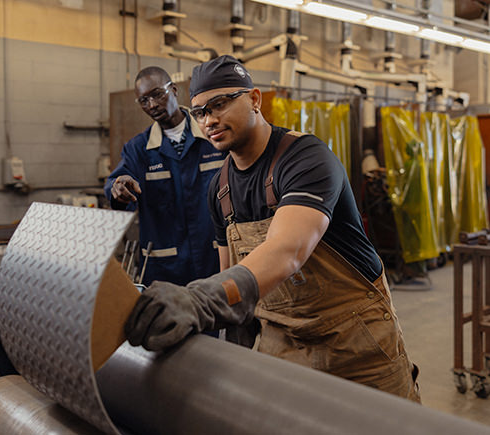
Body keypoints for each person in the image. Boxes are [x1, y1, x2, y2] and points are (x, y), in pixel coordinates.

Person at [124, 55, 421, 402]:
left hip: (357, 346)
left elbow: (286, 251)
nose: (210, 120)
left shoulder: (305, 159)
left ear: (254, 99)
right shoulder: (219, 190)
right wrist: (233, 358)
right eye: (200, 112)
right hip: (282, 348)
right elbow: (234, 279)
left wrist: (199, 299)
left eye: (220, 104)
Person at [105, 66, 223, 287]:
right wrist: (118, 187)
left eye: (158, 94)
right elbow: (118, 181)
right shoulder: (138, 149)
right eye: (143, 100)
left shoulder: (212, 135)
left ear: (174, 90)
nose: (152, 105)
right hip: (166, 267)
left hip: (216, 259)